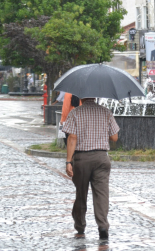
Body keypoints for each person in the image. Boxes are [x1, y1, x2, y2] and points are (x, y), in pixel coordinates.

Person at [62, 98, 119, 240]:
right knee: (101, 194)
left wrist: (69, 161)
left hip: (82, 159)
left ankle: (80, 225)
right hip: (101, 158)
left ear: (81, 97)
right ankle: (103, 226)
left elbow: (72, 138)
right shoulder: (106, 112)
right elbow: (114, 137)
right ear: (95, 96)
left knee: (81, 193)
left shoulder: (75, 113)